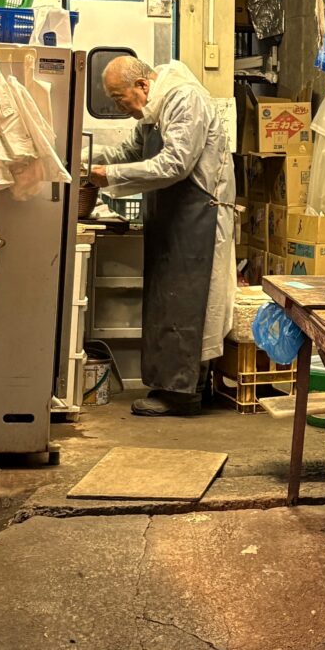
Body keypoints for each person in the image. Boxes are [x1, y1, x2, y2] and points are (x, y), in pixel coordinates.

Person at [90, 57, 235, 416]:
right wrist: (81, 157)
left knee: (188, 303)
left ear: (141, 85)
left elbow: (176, 164)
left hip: (197, 219)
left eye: (119, 98)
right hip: (173, 220)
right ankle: (171, 386)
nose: (118, 107)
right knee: (166, 302)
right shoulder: (152, 111)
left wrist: (110, 175)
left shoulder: (185, 99)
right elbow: (127, 153)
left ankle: (184, 393)